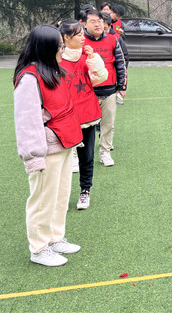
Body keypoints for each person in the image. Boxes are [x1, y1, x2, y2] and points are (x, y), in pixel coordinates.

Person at [13, 25, 84, 267]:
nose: (63, 50)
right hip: (46, 149)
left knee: (60, 195)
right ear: (46, 48)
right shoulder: (29, 78)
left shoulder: (54, 71)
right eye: (60, 47)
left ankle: (55, 238)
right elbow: (27, 122)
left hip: (64, 145)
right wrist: (34, 158)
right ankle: (39, 248)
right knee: (43, 199)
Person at [59, 20, 108, 210]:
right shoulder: (58, 59)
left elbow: (101, 77)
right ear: (66, 37)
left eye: (82, 34)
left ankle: (85, 191)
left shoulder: (88, 56)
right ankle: (61, 195)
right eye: (78, 34)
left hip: (88, 114)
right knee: (63, 159)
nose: (82, 38)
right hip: (65, 116)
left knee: (86, 156)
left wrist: (93, 58)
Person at [80, 9, 127, 167]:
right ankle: (78, 154)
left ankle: (105, 152)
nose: (97, 24)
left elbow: (120, 63)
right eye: (92, 21)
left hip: (109, 90)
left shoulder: (113, 40)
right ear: (85, 24)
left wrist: (122, 86)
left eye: (99, 21)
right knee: (84, 124)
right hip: (86, 92)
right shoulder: (79, 41)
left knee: (108, 123)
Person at [102, 12, 129, 105]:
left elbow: (123, 59)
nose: (102, 31)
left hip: (111, 82)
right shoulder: (87, 40)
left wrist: (121, 85)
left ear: (110, 26)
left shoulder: (115, 38)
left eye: (105, 29)